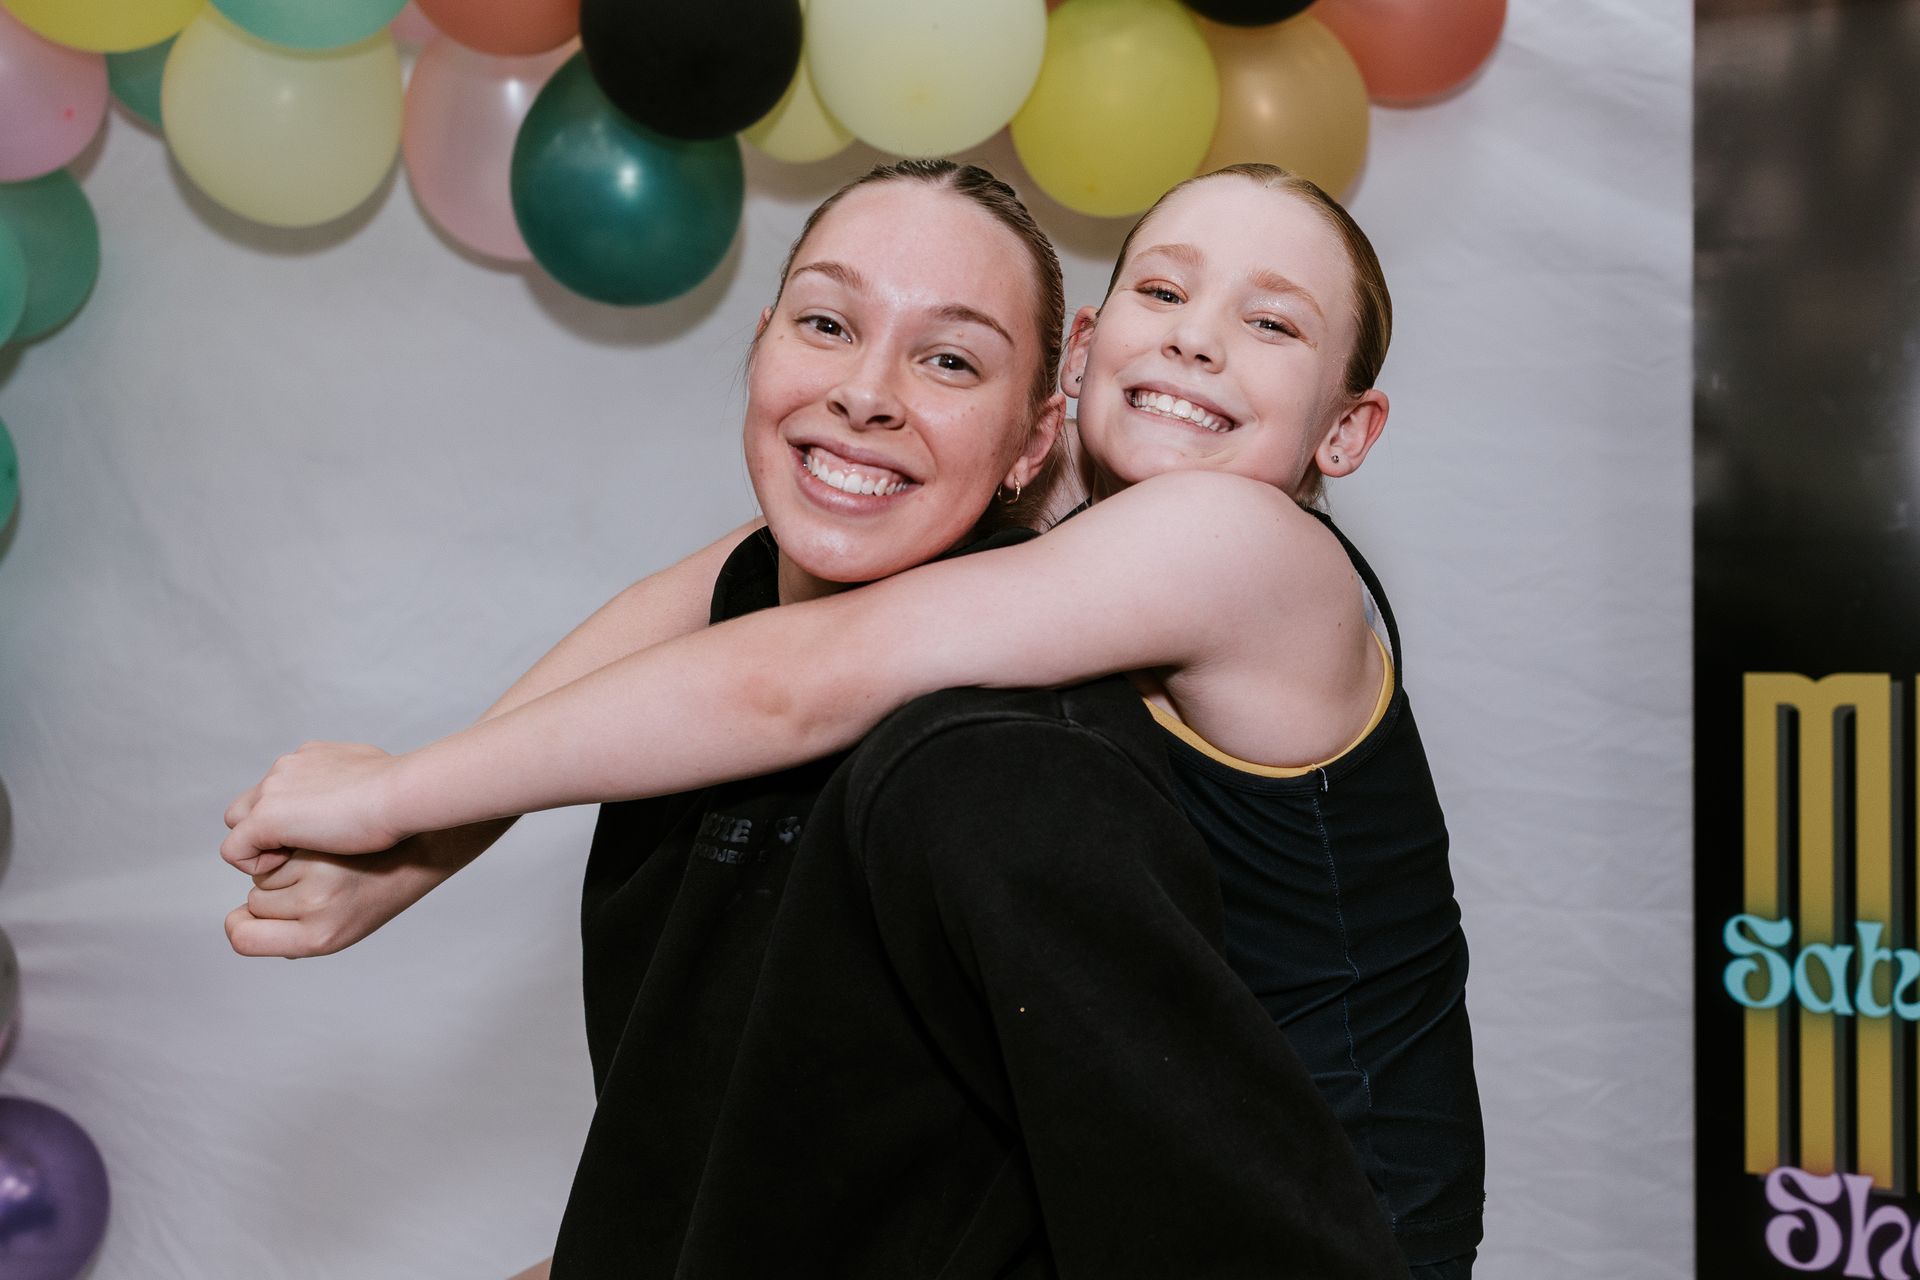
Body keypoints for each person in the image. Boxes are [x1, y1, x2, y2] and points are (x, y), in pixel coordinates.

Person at [225, 162, 1481, 1276]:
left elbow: (798, 675)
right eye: (1166, 291)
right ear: (1084, 354)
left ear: (1349, 426)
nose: (1199, 341)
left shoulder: (1245, 540)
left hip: (1328, 1214)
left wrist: (392, 797)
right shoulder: (1045, 508)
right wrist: (429, 850)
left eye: (1269, 323)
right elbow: (713, 592)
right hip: (1132, 1157)